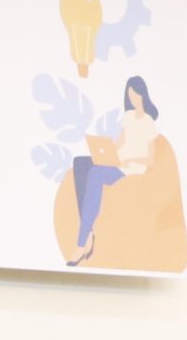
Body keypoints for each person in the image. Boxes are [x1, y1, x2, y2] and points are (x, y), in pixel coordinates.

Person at [66, 76, 158, 265]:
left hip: (131, 170)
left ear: (143, 94)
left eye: (136, 95)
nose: (133, 100)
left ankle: (81, 243)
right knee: (81, 163)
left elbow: (150, 160)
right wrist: (105, 151)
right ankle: (89, 232)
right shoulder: (128, 117)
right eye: (130, 96)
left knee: (95, 174)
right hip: (118, 163)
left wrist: (129, 159)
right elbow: (120, 143)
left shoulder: (148, 122)